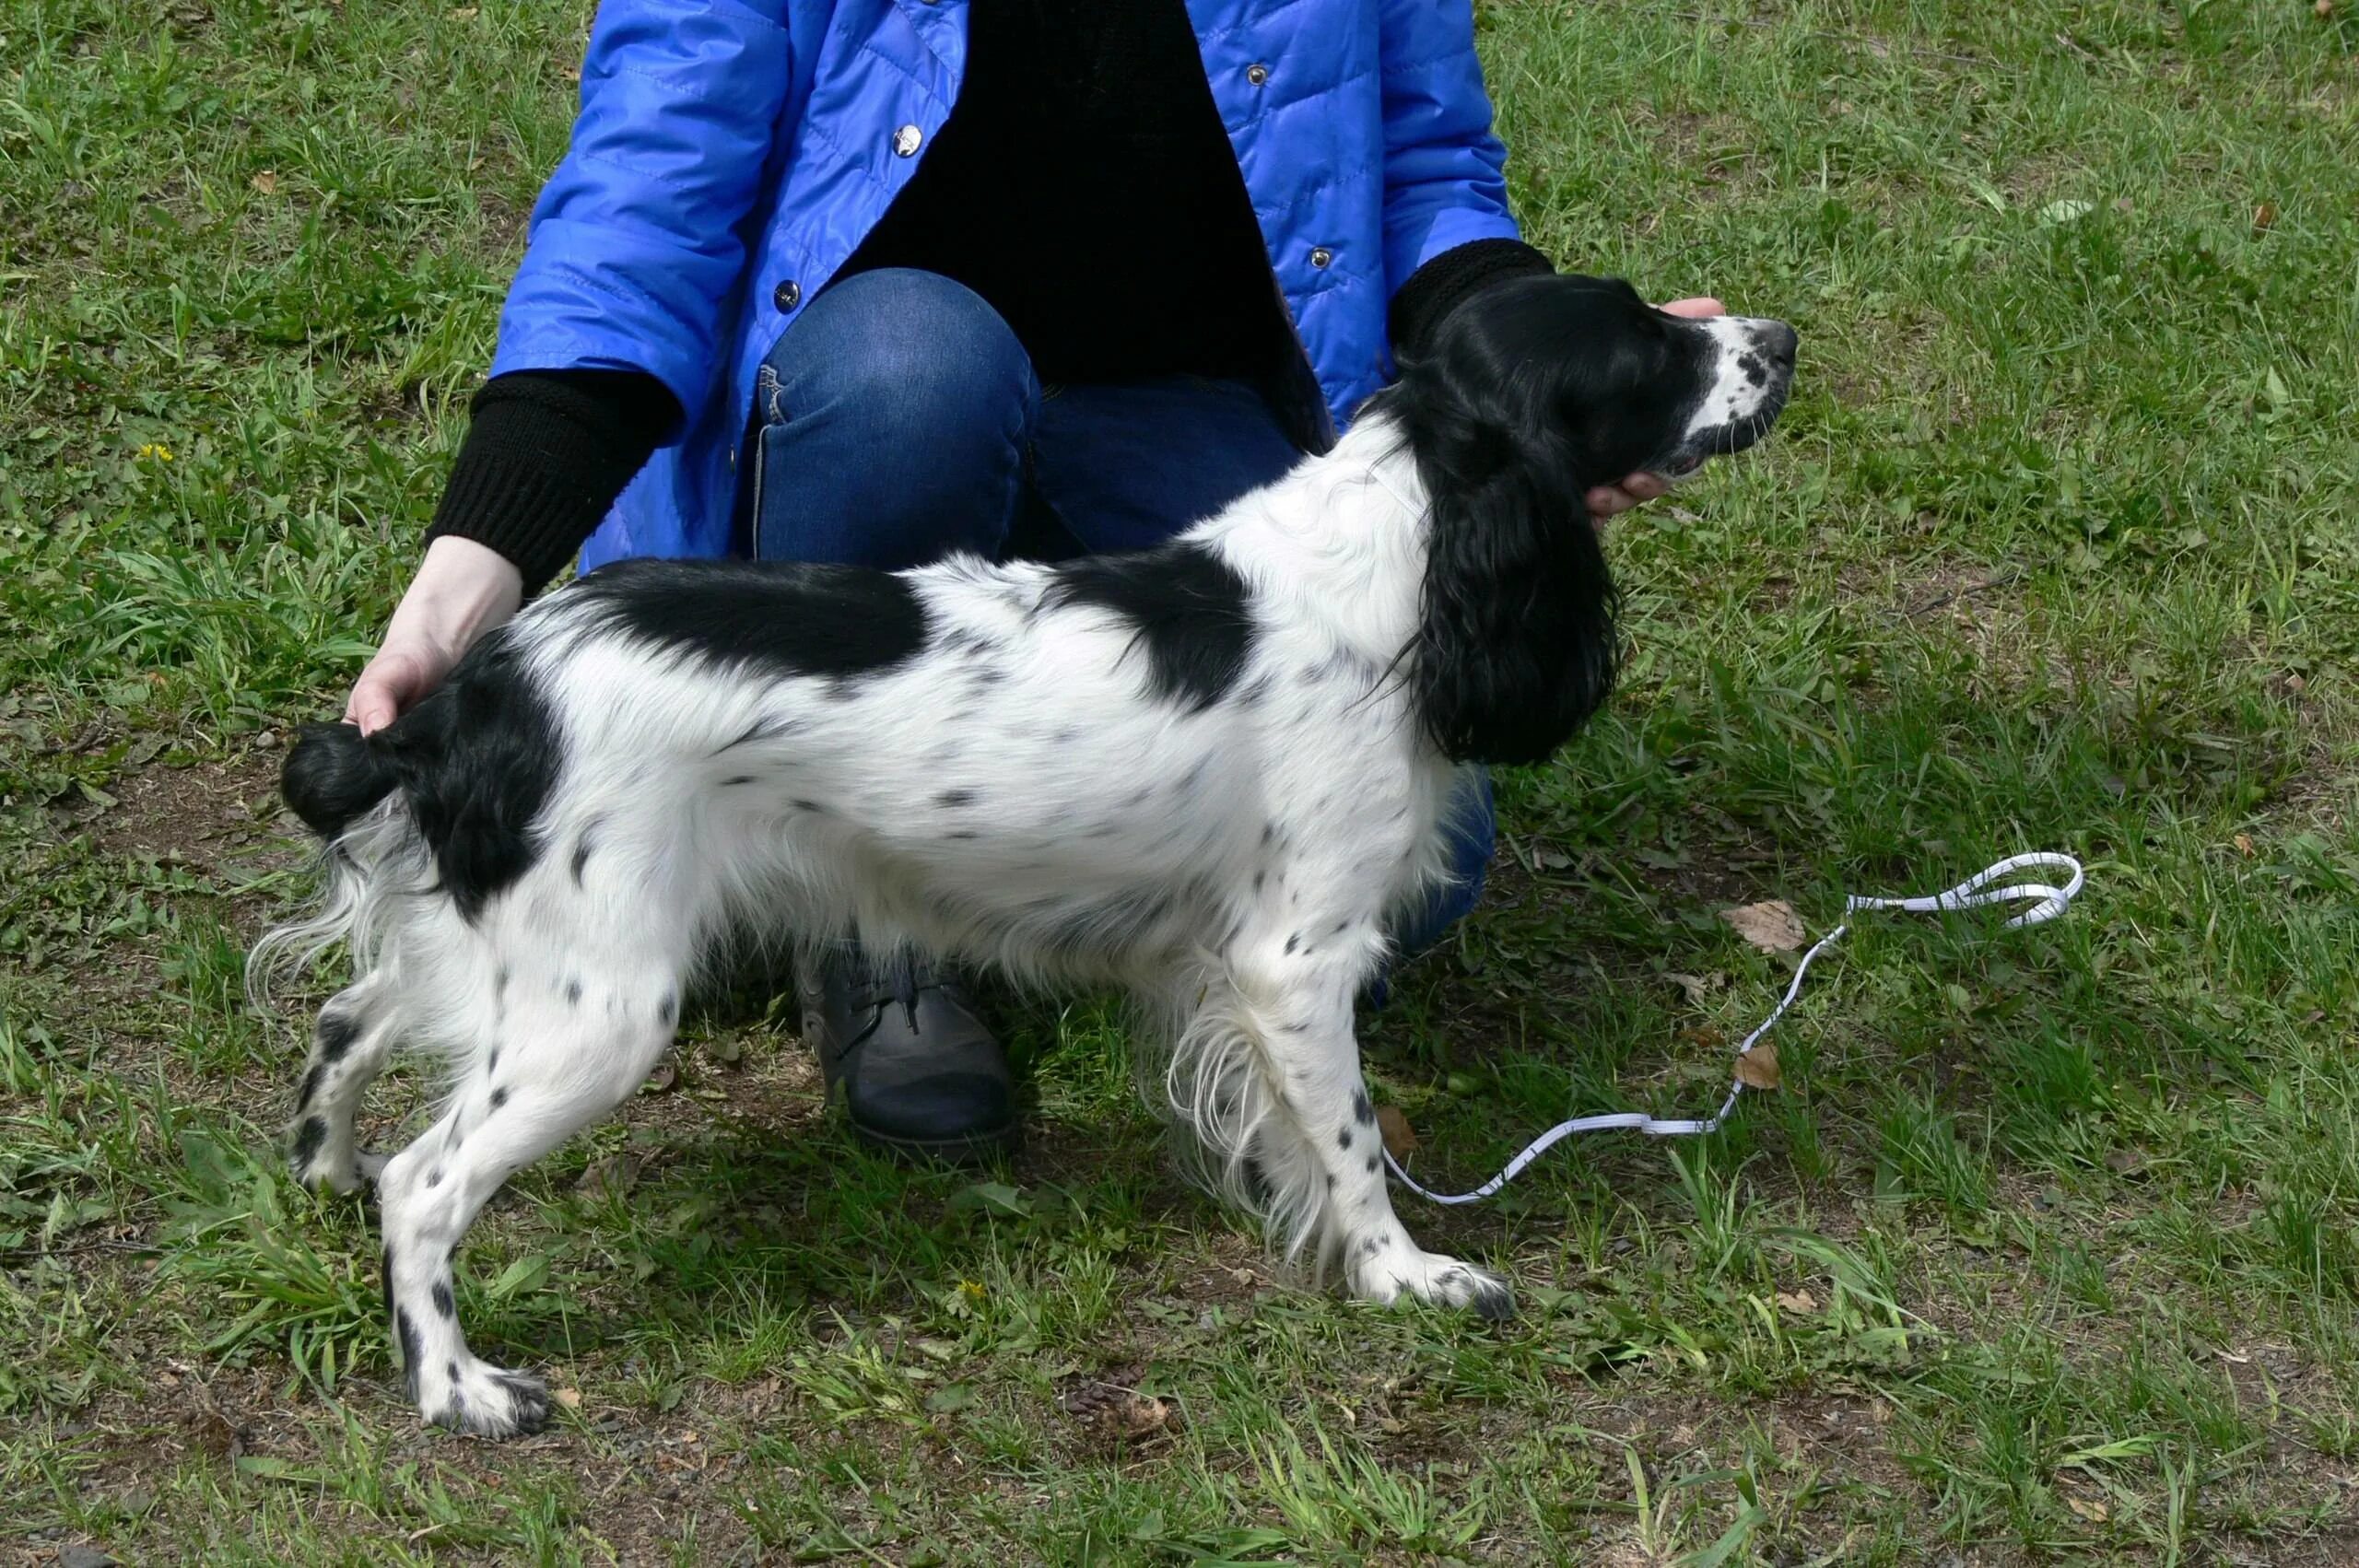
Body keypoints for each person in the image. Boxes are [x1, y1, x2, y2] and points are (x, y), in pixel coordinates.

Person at [345, 0, 1719, 1164]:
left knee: (1432, 865)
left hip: (1174, 416)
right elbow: (651, 187)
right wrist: (480, 561)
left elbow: (1425, 167)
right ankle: (878, 927)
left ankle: (1047, 829)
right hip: (875, 401)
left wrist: (1546, 385)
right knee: (913, 373)